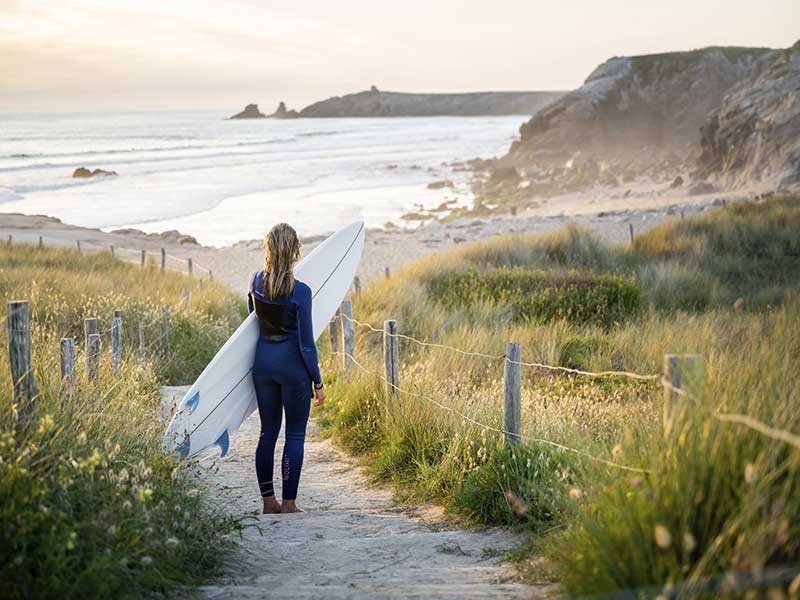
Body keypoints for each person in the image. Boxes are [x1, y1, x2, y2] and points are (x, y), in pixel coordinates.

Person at [248, 223, 325, 514]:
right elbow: (306, 344)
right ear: (294, 252)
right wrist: (317, 382)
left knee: (267, 433)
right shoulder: (301, 292)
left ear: (268, 250)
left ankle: (269, 503)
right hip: (292, 370)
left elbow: (251, 324)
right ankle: (290, 504)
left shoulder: (255, 281)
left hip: (263, 365)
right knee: (294, 435)